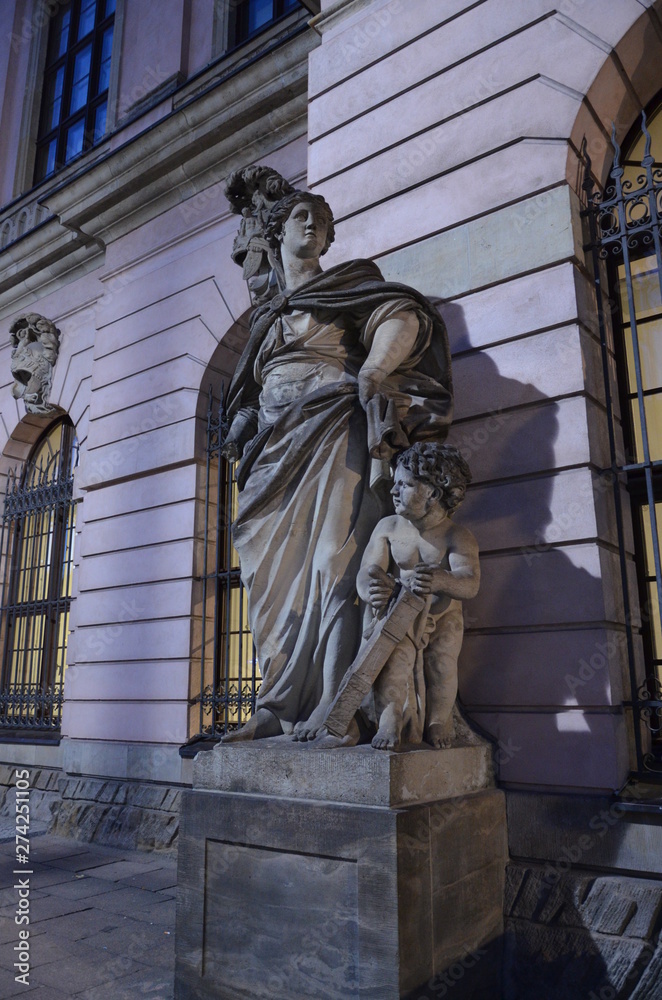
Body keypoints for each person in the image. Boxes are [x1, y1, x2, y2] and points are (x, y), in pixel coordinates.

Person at [220, 179, 453, 743]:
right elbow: (249, 390)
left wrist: (373, 369)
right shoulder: (266, 319)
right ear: (277, 232)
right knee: (268, 582)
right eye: (301, 217)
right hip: (272, 458)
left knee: (335, 562)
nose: (312, 227)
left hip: (331, 431)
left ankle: (335, 704)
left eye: (321, 221)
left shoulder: (347, 287)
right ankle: (276, 704)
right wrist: (245, 420)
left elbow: (406, 315)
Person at [357, 442, 480, 750]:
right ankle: (390, 715)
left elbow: (470, 583)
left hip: (441, 616)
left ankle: (440, 719)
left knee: (441, 663)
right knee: (393, 661)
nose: (393, 492)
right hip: (396, 610)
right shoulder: (388, 527)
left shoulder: (456, 535)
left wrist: (441, 579)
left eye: (405, 484)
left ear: (434, 494)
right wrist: (372, 589)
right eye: (395, 484)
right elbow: (367, 571)